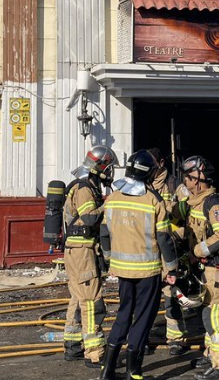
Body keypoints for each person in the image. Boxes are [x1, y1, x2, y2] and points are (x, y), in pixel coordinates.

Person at [99, 149, 179, 380]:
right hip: (148, 271)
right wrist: (172, 268)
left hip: (122, 270)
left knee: (123, 314)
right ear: (149, 173)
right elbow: (164, 238)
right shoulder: (153, 200)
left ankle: (108, 370)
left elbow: (104, 232)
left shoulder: (113, 197)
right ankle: (134, 372)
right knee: (143, 318)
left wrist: (108, 258)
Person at [180, 156, 219, 380]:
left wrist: (198, 251)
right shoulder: (196, 202)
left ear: (199, 178)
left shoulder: (213, 203)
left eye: (188, 176)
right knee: (206, 316)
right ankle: (210, 354)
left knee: (215, 319)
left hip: (213, 269)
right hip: (201, 270)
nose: (185, 179)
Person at [62, 145, 116, 367]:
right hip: (82, 252)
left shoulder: (86, 184)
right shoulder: (84, 188)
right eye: (108, 167)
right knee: (92, 300)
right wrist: (108, 205)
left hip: (77, 250)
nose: (110, 172)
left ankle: (73, 345)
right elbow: (90, 218)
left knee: (78, 298)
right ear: (100, 167)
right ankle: (94, 353)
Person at [146, 148, 187, 355]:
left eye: (151, 162)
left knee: (172, 296)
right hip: (148, 251)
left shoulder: (175, 185)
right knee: (145, 297)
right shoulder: (142, 186)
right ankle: (143, 337)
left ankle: (176, 339)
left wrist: (177, 236)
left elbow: (188, 211)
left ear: (161, 163)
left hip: (170, 250)